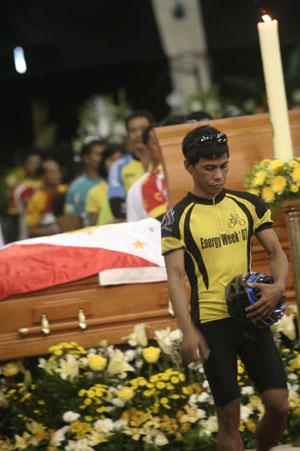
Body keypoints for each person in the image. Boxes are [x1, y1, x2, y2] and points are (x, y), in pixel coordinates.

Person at [161, 125, 289, 451]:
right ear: (189, 167)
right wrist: (188, 331)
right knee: (229, 413)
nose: (218, 175)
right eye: (209, 168)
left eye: (224, 166)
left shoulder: (249, 204)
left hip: (253, 315)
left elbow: (277, 254)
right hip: (213, 323)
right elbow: (175, 277)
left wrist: (278, 288)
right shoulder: (176, 218)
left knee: (279, 406)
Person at [107, 110, 154, 221]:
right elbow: (117, 209)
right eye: (133, 130)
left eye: (143, 128)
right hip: (136, 227)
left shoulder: (164, 161)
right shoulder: (118, 166)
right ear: (128, 134)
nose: (138, 134)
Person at [126, 124, 168, 222]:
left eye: (166, 142)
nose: (163, 146)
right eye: (156, 143)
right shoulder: (138, 188)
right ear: (147, 149)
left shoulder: (192, 175)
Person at [65, 136, 107, 229]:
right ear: (86, 158)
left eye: (105, 154)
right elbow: (74, 226)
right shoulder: (75, 188)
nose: (103, 158)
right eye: (99, 154)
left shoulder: (114, 181)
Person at [85, 143, 127, 226]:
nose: (116, 165)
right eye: (112, 160)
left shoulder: (135, 186)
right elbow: (93, 229)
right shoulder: (94, 192)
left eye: (120, 160)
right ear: (103, 163)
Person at [8, 149, 43, 241]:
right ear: (24, 166)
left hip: (47, 236)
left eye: (38, 163)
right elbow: (14, 218)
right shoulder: (17, 190)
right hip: (25, 237)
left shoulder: (47, 187)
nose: (35, 166)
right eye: (32, 163)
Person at [26, 159, 67, 237]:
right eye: (53, 172)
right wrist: (57, 230)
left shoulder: (67, 192)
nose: (59, 175)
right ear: (42, 177)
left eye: (59, 171)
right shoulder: (36, 199)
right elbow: (31, 230)